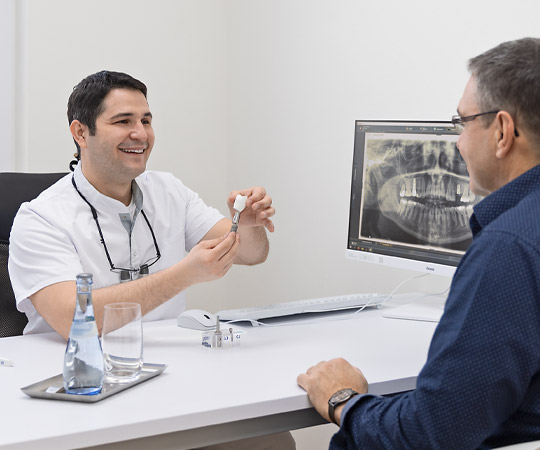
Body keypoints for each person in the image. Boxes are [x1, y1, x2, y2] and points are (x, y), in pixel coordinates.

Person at [8, 70, 296, 450]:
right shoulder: (41, 217)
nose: (140, 134)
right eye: (123, 121)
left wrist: (251, 224)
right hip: (80, 393)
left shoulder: (168, 191)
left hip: (170, 379)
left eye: (146, 120)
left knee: (273, 441)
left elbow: (251, 254)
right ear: (81, 133)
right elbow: (70, 320)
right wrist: (184, 275)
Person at [297, 37, 540, 449]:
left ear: (502, 131)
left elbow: (430, 434)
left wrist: (343, 400)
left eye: (461, 122)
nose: (458, 142)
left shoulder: (509, 247)